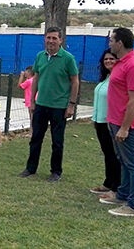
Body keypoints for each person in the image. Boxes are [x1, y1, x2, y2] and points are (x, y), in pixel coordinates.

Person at [18, 26, 80, 182]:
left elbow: (75, 81)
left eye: (54, 38)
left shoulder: (68, 58)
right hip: (41, 104)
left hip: (59, 106)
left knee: (57, 141)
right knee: (36, 138)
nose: (51, 41)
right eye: (48, 38)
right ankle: (30, 168)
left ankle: (56, 171)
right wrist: (32, 101)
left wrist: (71, 104)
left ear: (61, 40)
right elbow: (36, 79)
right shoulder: (40, 56)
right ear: (44, 39)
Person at [99, 27, 134, 217]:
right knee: (124, 161)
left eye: (112, 40)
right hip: (115, 121)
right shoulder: (122, 62)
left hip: (126, 124)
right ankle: (123, 195)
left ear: (120, 43)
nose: (109, 43)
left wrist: (125, 127)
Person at [89, 49, 121, 199]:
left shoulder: (118, 78)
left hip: (110, 122)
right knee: (107, 153)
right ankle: (108, 182)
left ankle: (116, 187)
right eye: (106, 59)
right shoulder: (106, 78)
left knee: (114, 155)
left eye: (112, 59)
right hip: (99, 121)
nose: (108, 61)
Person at [18, 65, 35, 136]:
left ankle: (31, 133)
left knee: (32, 117)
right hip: (35, 100)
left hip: (30, 101)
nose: (24, 73)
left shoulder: (28, 81)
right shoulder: (35, 79)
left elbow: (19, 86)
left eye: (26, 72)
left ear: (29, 72)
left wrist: (21, 77)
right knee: (34, 117)